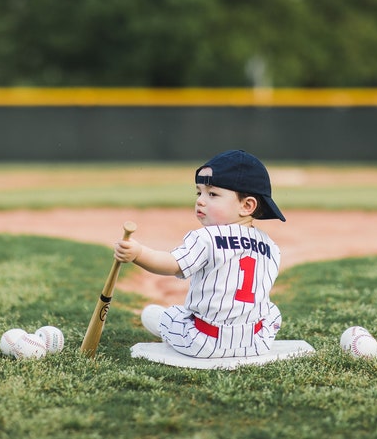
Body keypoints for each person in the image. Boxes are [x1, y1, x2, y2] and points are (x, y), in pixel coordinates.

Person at [114, 149, 286, 358]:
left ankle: (168, 326)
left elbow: (172, 264)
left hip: (204, 343)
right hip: (255, 342)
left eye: (212, 194)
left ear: (247, 205)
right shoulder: (271, 246)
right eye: (199, 192)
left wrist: (138, 253)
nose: (200, 201)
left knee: (160, 315)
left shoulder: (205, 238)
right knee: (271, 309)